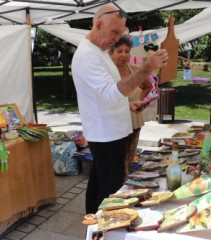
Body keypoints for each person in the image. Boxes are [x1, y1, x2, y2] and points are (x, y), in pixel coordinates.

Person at [71, 4, 168, 214]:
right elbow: (112, 92)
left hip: (109, 131)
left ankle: (94, 225)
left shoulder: (99, 51)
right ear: (98, 24)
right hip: (106, 134)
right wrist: (146, 68)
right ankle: (106, 229)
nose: (117, 39)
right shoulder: (88, 55)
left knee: (99, 182)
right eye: (114, 32)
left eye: (121, 33)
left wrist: (126, 106)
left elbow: (106, 95)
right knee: (110, 189)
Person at [109, 34, 153, 175]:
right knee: (115, 162)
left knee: (128, 161)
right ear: (111, 53)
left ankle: (124, 186)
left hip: (134, 122)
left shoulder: (134, 70)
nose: (123, 55)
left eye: (127, 51)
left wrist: (141, 100)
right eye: (119, 51)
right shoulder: (106, 73)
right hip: (114, 124)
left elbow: (148, 86)